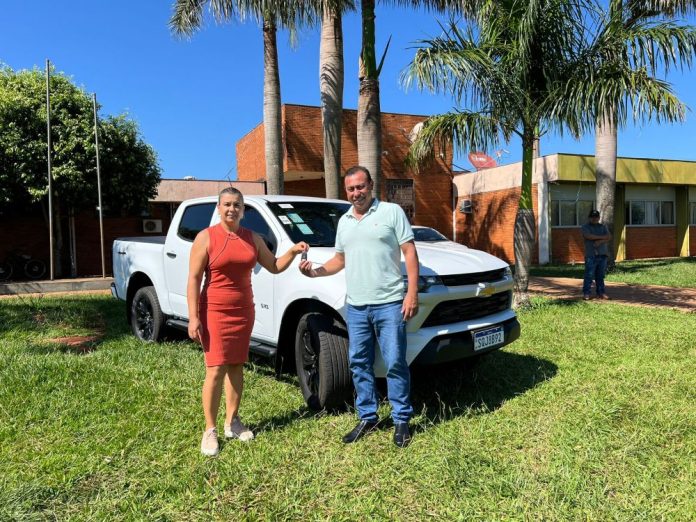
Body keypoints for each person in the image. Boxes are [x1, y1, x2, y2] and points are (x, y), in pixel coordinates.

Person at [299, 166, 419, 448]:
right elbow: (340, 260)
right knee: (359, 363)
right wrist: (314, 272)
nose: (356, 193)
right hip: (356, 307)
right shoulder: (344, 222)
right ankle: (368, 416)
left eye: (361, 187)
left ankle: (401, 419)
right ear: (347, 191)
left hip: (389, 303)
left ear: (371, 185)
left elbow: (410, 252)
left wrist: (411, 293)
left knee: (395, 362)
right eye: (351, 189)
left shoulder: (391, 212)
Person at [188, 187, 308, 456]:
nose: (232, 209)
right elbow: (194, 279)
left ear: (243, 210)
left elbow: (274, 266)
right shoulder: (206, 237)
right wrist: (194, 317)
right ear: (219, 208)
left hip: (243, 311)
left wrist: (292, 251)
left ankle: (232, 421)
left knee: (236, 365)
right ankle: (210, 429)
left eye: (237, 205)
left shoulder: (252, 238)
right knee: (215, 369)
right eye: (227, 204)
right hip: (214, 310)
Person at [581, 209, 612, 300]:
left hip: (602, 254)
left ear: (599, 217)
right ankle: (586, 293)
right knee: (589, 275)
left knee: (600, 275)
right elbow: (588, 236)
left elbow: (609, 237)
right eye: (592, 217)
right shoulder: (585, 227)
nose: (594, 218)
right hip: (591, 255)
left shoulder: (603, 226)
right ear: (589, 217)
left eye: (596, 217)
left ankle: (601, 293)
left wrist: (600, 241)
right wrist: (602, 238)